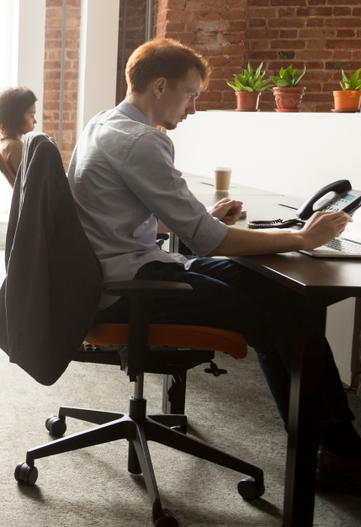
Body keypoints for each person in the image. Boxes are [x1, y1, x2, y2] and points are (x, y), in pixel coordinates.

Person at [68, 37, 361, 491]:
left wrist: (201, 220)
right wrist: (304, 237)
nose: (191, 108)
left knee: (274, 291)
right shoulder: (143, 141)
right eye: (190, 95)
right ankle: (335, 448)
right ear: (160, 86)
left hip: (124, 270)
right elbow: (208, 243)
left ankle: (330, 444)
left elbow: (128, 210)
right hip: (131, 288)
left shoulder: (103, 125)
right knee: (279, 311)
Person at [0, 87, 38, 174]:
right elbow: (31, 184)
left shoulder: (5, 144)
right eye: (32, 116)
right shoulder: (16, 146)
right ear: (18, 117)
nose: (35, 121)